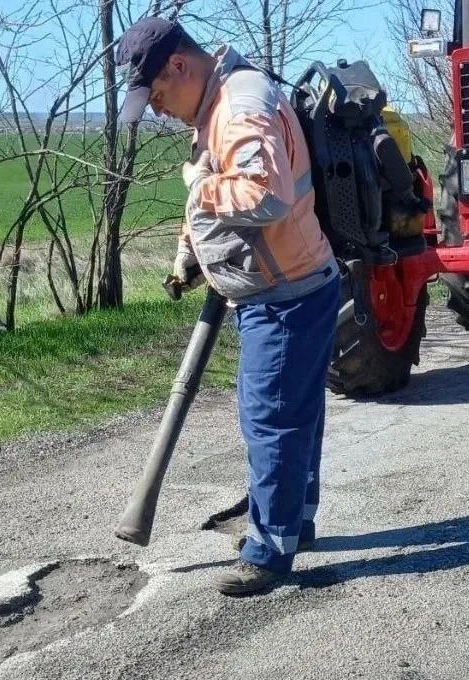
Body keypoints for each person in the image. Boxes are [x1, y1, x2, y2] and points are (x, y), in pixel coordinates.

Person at [116, 18, 341, 597]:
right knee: (292, 414)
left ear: (179, 66)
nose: (160, 112)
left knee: (272, 419)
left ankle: (268, 550)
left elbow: (263, 194)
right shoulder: (215, 103)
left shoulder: (240, 105)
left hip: (286, 293)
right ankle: (297, 522)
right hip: (285, 285)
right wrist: (190, 254)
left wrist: (196, 186)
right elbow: (223, 188)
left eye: (159, 96)